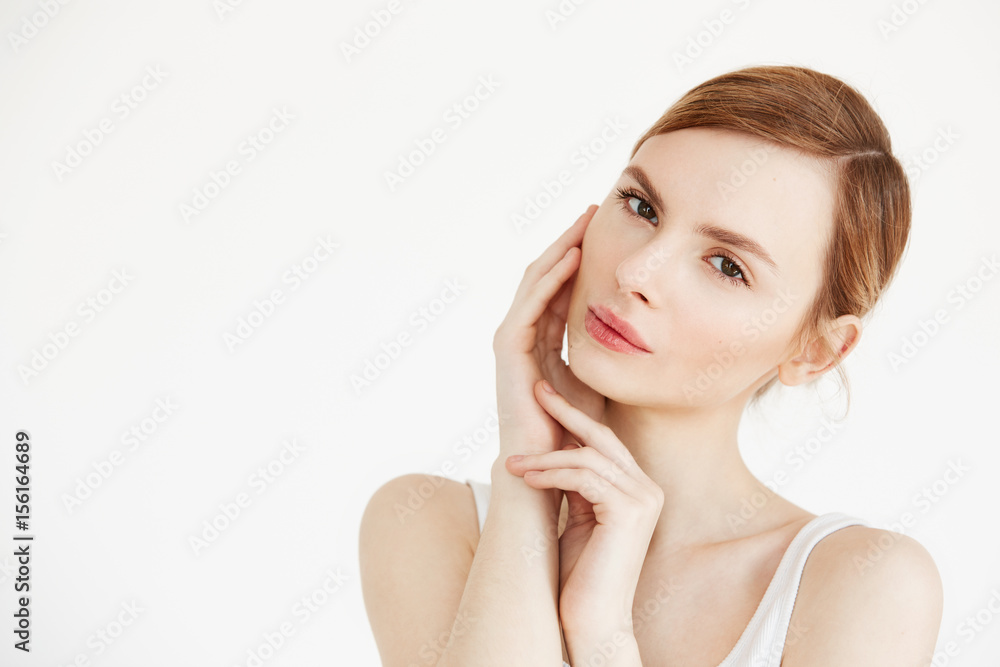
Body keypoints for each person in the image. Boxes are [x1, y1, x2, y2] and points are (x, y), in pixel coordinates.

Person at [359, 65, 943, 666]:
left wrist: (603, 636)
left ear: (816, 350)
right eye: (640, 206)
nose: (635, 273)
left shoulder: (864, 586)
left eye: (726, 265)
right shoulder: (428, 526)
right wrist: (526, 487)